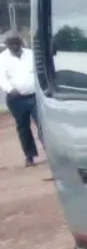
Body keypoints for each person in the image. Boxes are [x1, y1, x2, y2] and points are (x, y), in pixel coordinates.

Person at [0, 31, 43, 167]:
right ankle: (29, 156)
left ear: (20, 42)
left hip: (35, 96)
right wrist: (10, 89)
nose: (14, 45)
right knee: (23, 128)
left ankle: (51, 153)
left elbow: (38, 71)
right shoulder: (2, 58)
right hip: (16, 99)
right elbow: (2, 78)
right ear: (6, 44)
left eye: (16, 42)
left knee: (42, 125)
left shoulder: (30, 54)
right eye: (11, 42)